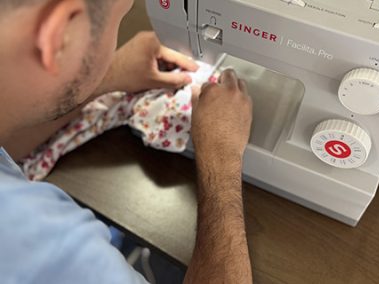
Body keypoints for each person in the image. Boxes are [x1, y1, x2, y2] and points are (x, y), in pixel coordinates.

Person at [0, 0, 253, 283]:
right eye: (120, 19)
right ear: (60, 36)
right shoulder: (50, 245)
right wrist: (221, 156)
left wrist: (109, 74)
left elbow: (7, 147)